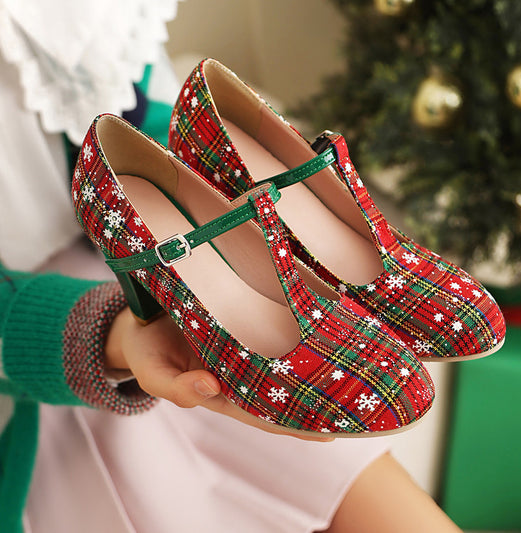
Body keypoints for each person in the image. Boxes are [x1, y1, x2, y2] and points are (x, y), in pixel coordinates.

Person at [0, 1, 462, 531]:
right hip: (37, 349)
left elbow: (137, 123)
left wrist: (238, 183)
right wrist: (109, 336)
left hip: (149, 246)